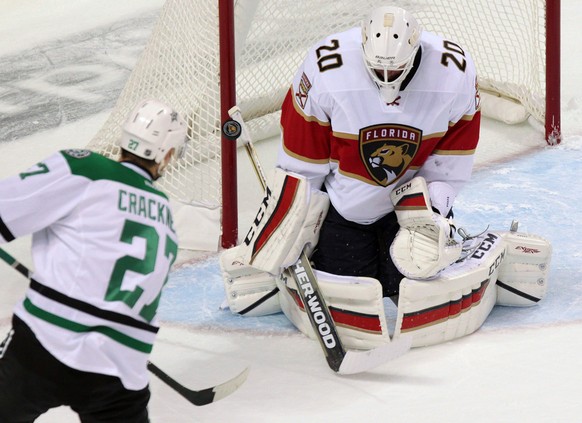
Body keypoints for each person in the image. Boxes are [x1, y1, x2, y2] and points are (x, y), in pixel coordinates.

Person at [0, 99, 187, 422]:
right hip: (120, 368)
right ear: (166, 153)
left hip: (46, 342)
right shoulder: (164, 212)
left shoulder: (84, 168)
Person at [276, 5, 481, 299]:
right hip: (344, 208)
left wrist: (433, 211)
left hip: (411, 207)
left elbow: (453, 155)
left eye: (396, 68)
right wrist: (296, 221)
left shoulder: (453, 72)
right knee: (347, 294)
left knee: (414, 288)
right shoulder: (325, 68)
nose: (387, 76)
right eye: (378, 67)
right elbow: (303, 156)